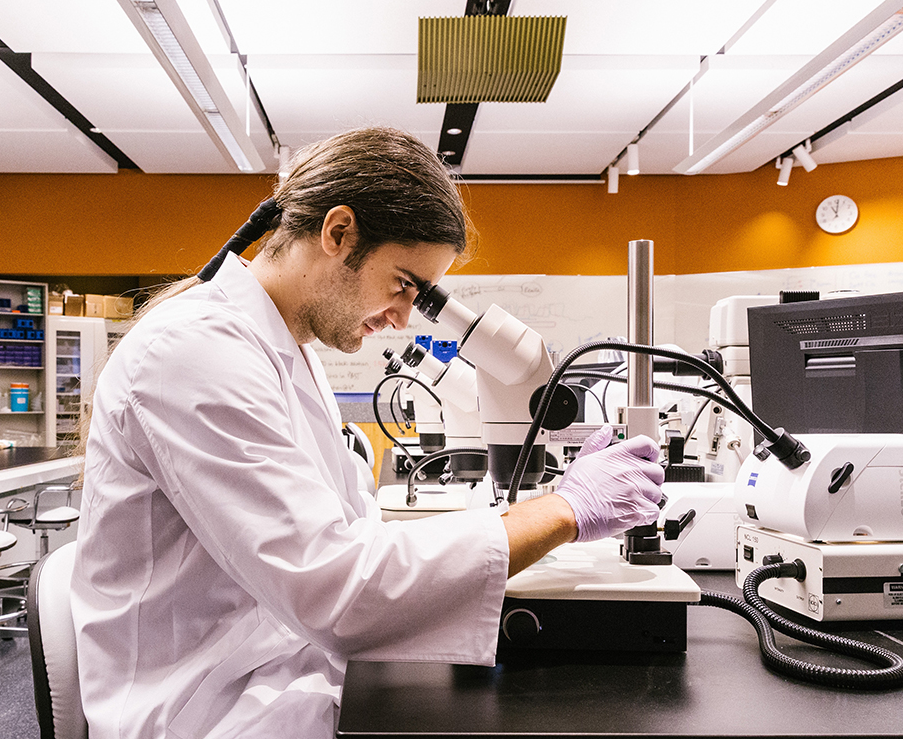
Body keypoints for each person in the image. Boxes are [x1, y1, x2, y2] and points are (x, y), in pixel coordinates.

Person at [71, 127, 664, 739]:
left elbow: (349, 536)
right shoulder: (195, 350)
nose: (405, 316)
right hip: (213, 712)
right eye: (404, 282)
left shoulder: (284, 351)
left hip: (280, 675)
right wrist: (565, 510)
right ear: (337, 233)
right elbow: (335, 589)